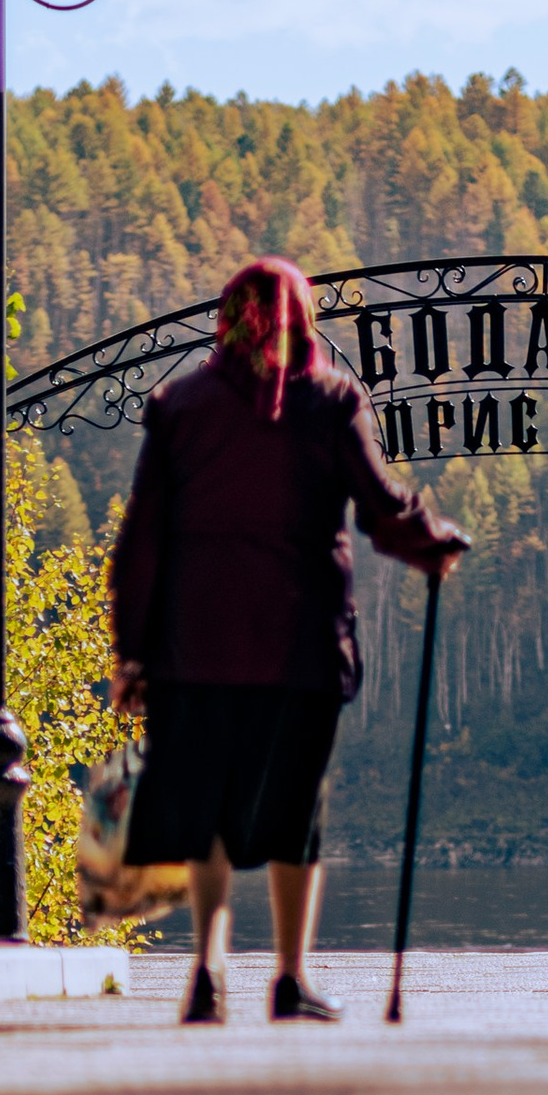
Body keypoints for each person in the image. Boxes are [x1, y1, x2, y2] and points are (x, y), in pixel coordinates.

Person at [109, 256, 469, 1024]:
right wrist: (431, 543)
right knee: (295, 812)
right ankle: (290, 978)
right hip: (299, 646)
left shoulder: (180, 407)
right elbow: (379, 508)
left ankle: (207, 971)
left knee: (208, 811)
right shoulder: (330, 402)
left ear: (228, 318)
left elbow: (143, 539)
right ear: (304, 319)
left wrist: (133, 652)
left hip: (195, 645)